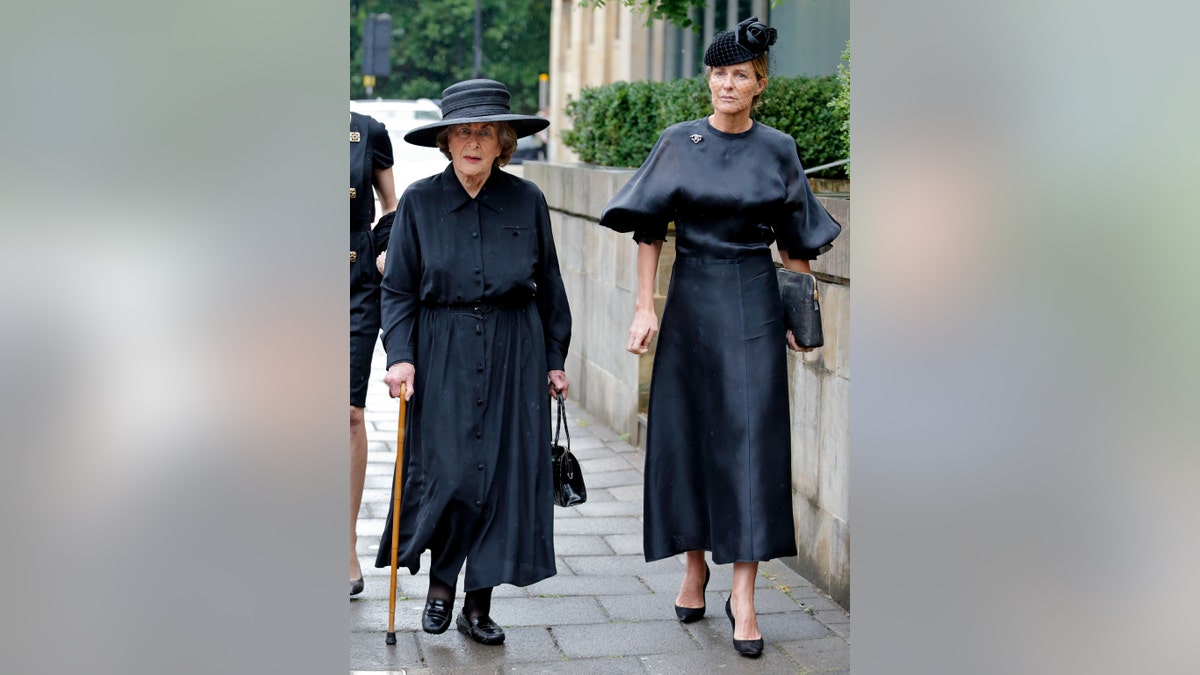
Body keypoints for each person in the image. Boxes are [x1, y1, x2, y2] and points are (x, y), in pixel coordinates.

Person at [598, 17, 842, 658]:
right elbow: (648, 227)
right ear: (708, 78)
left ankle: (744, 595)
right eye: (719, 73)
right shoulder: (680, 141)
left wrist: (803, 317)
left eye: (740, 75)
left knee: (752, 443)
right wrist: (644, 308)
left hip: (754, 301)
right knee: (687, 435)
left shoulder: (779, 148)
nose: (726, 84)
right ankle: (693, 565)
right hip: (691, 300)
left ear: (759, 84)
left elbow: (797, 242)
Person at [373, 79, 571, 646]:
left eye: (485, 131)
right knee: (452, 473)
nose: (473, 142)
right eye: (463, 131)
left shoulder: (526, 200)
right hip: (443, 346)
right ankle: (441, 585)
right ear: (446, 141)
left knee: (501, 478)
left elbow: (549, 283)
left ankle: (477, 604)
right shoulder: (418, 201)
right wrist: (402, 357)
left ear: (503, 141)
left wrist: (555, 356)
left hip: (515, 346)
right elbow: (399, 290)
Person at [350, 109, 397, 597]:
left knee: (347, 414)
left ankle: (344, 546)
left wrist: (386, 247)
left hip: (354, 283)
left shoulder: (367, 130)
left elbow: (390, 204)